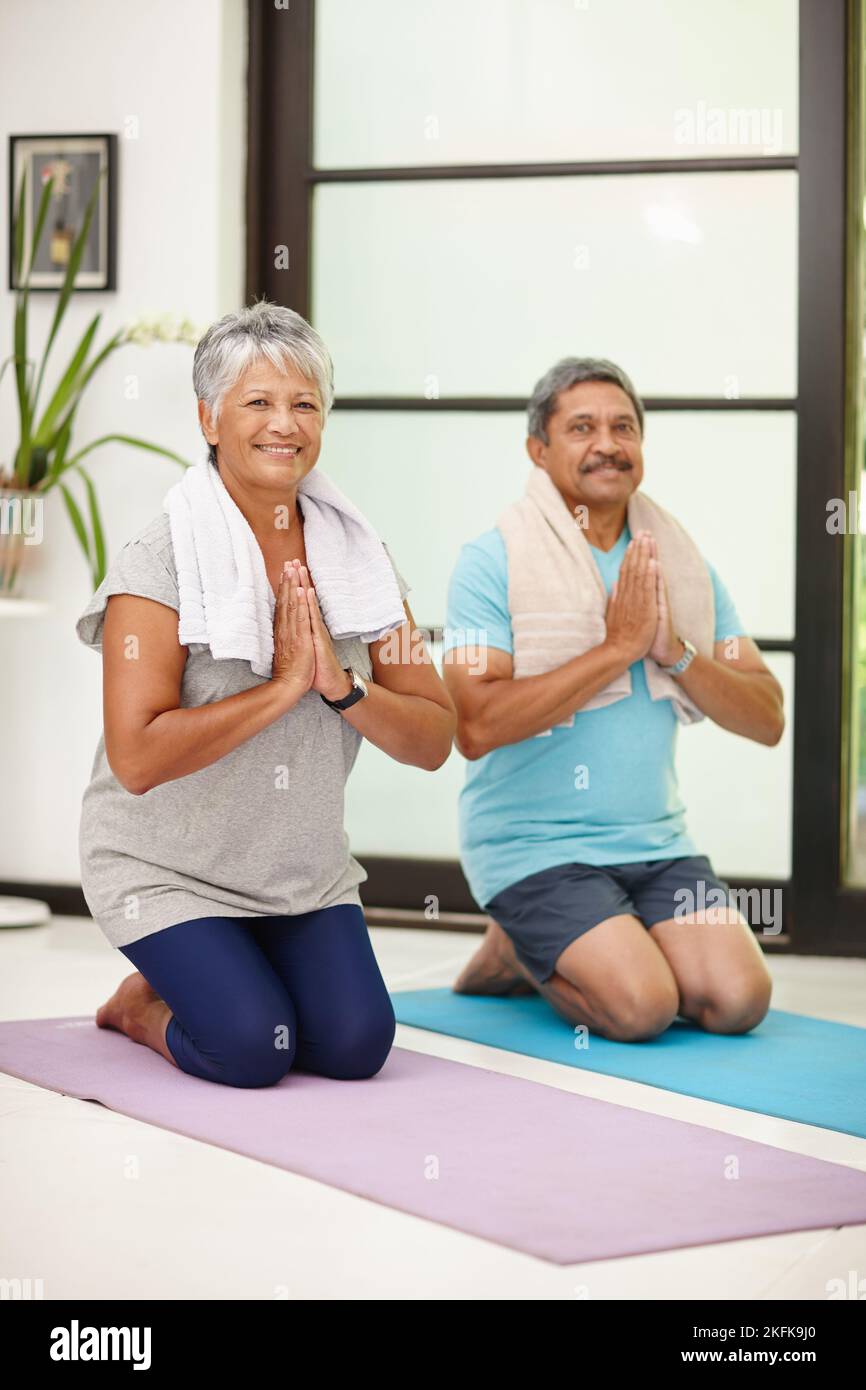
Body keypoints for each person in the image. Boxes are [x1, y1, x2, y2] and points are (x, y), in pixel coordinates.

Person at [76, 300, 456, 1087]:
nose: (285, 424)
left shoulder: (359, 558)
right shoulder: (158, 563)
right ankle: (140, 1005)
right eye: (258, 402)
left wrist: (342, 688)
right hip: (165, 868)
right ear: (209, 419)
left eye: (305, 403)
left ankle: (229, 966)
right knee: (252, 1049)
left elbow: (432, 737)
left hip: (300, 870)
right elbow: (138, 757)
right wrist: (282, 688)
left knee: (354, 1048)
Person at [442, 357, 782, 1042]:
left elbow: (768, 716)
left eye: (624, 427)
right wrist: (616, 649)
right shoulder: (492, 561)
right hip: (535, 849)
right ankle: (518, 945)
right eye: (582, 427)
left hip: (657, 843)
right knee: (642, 1008)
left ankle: (573, 938)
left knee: (738, 1000)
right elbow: (475, 725)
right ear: (539, 451)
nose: (608, 444)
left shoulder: (679, 565)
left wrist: (675, 651)